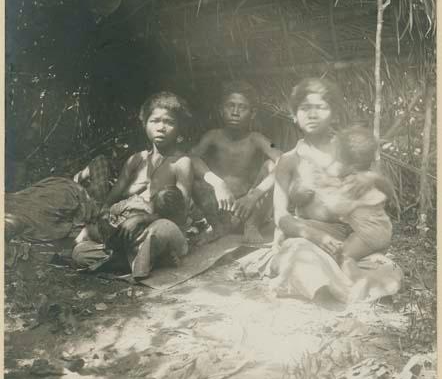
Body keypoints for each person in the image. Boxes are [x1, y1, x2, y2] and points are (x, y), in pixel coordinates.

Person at [270, 78, 402, 303]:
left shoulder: (350, 150)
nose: (312, 114)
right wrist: (315, 235)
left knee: (383, 266)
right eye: (304, 108)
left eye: (320, 107)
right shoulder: (288, 161)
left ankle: (344, 286)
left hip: (352, 236)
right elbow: (281, 216)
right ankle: (336, 290)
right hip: (311, 236)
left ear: (334, 114)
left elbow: (386, 190)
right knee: (298, 252)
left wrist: (371, 176)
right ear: (294, 115)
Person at [72, 92, 192, 279]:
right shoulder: (136, 160)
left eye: (169, 122)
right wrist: (107, 218)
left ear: (179, 128)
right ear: (145, 124)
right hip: (129, 233)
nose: (161, 127)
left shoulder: (181, 162)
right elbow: (113, 197)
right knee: (80, 253)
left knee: (159, 230)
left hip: (162, 228)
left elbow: (181, 210)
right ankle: (141, 260)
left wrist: (144, 219)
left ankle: (134, 260)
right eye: (155, 121)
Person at [191, 81, 282, 244]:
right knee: (193, 172)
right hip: (219, 206)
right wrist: (217, 183)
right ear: (221, 110)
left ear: (252, 113)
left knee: (271, 166)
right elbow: (190, 158)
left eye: (242, 107)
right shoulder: (213, 136)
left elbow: (283, 159)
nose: (235, 112)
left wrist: (254, 195)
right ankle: (217, 227)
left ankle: (252, 225)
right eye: (230, 106)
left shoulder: (257, 138)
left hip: (248, 207)